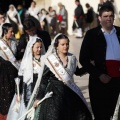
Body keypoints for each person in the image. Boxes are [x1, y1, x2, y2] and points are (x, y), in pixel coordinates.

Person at [28, 33, 93, 120]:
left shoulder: (72, 58)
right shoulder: (50, 59)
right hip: (54, 94)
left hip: (70, 92)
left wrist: (89, 66)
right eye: (62, 44)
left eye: (67, 44)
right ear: (56, 46)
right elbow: (44, 80)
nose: (65, 46)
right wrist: (39, 98)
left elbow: (77, 72)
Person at [80, 5, 120, 120]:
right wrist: (99, 74)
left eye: (111, 16)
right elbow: (84, 59)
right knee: (101, 115)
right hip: (99, 82)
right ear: (99, 18)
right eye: (105, 16)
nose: (109, 18)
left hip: (118, 81)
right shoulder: (91, 35)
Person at [7, 36, 46, 120]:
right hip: (29, 88)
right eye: (37, 47)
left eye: (40, 47)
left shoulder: (45, 59)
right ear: (31, 47)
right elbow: (20, 77)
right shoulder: (27, 60)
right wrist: (18, 93)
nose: (39, 49)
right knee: (27, 111)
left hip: (42, 88)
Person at [0, 23, 19, 120]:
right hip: (3, 73)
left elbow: (17, 56)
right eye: (11, 31)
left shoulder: (14, 41)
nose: (13, 33)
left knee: (14, 93)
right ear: (4, 32)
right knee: (4, 94)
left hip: (14, 72)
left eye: (13, 31)